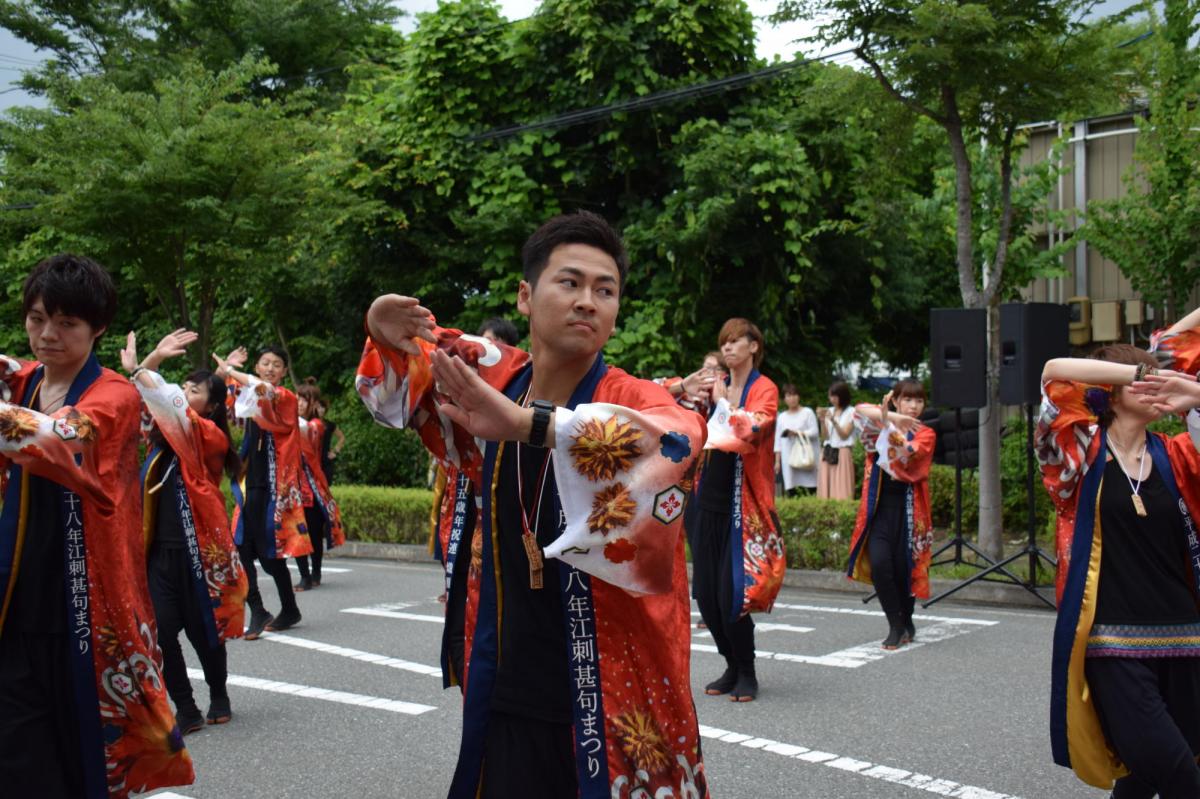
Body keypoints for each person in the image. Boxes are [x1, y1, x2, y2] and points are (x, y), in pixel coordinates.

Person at [357, 210, 708, 798]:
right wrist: (379, 326)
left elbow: (679, 439)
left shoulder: (625, 395)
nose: (587, 302)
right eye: (569, 283)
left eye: (605, 290)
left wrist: (528, 425)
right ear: (525, 296)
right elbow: (405, 369)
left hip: (610, 695)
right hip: (507, 680)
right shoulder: (495, 376)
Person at [0, 254, 193, 796]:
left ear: (97, 327)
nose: (47, 335)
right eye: (37, 319)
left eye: (66, 323)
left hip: (84, 606)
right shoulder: (22, 383)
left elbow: (59, 437)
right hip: (15, 598)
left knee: (82, 754)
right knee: (17, 758)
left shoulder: (115, 394)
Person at [1037, 310, 1200, 797]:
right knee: (1181, 778)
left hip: (1186, 639)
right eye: (1140, 383)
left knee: (1142, 777)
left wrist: (1191, 394)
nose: (1155, 389)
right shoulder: (1079, 456)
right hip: (1111, 644)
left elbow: (1178, 347)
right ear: (1111, 393)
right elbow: (1052, 372)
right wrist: (1141, 370)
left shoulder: (1178, 455)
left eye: (1157, 380)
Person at [121, 329, 248, 732]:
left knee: (206, 629)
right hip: (159, 554)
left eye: (194, 390)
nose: (183, 393)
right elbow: (141, 402)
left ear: (211, 406)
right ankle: (186, 707)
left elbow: (169, 402)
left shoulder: (206, 434)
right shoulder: (158, 439)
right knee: (159, 633)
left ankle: (219, 694)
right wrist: (148, 365)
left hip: (200, 553)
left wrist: (148, 366)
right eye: (185, 388)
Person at [691, 318, 785, 703]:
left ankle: (747, 670)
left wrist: (724, 403)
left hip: (740, 502)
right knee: (705, 595)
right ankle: (730, 662)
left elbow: (752, 429)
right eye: (724, 342)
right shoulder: (714, 385)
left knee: (733, 591)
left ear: (753, 346)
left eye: (735, 341)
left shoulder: (765, 389)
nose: (728, 348)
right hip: (705, 497)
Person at [213, 345, 312, 638]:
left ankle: (287, 609)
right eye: (265, 363)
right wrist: (224, 369)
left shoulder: (286, 398)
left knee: (270, 556)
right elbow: (217, 395)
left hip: (273, 488)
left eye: (276, 364)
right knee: (240, 548)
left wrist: (231, 371)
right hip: (250, 484)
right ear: (257, 366)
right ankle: (258, 609)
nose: (270, 368)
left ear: (283, 372)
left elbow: (263, 390)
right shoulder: (249, 395)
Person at [844, 380, 936, 649]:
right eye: (907, 400)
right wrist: (890, 419)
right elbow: (859, 410)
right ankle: (895, 624)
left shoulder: (925, 433)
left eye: (919, 401)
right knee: (881, 564)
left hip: (910, 511)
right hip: (880, 509)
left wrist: (887, 426)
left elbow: (908, 455)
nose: (914, 406)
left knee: (904, 568)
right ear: (896, 401)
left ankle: (906, 620)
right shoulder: (882, 423)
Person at [293, 378, 345, 591]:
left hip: (312, 485)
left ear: (314, 403)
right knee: (297, 530)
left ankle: (315, 572)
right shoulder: (296, 423)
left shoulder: (316, 426)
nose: (301, 403)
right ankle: (306, 575)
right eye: (298, 398)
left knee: (313, 531)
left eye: (306, 399)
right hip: (294, 485)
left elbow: (309, 443)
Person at [774, 383, 819, 496]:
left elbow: (815, 432)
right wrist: (777, 461)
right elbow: (778, 441)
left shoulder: (807, 412)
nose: (792, 398)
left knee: (810, 489)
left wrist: (798, 433)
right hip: (788, 458)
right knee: (792, 489)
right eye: (788, 396)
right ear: (784, 399)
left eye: (794, 395)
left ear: (798, 396)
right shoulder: (782, 417)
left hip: (806, 457)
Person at [817, 380, 857, 499]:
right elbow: (825, 437)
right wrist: (822, 421)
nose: (832, 399)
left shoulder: (852, 412)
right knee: (826, 488)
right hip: (828, 451)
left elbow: (844, 435)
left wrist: (834, 421)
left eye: (835, 396)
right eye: (830, 395)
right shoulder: (829, 410)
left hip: (842, 452)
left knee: (842, 488)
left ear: (842, 396)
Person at [317, 398, 345, 485]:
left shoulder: (329, 425)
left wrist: (335, 451)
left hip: (326, 460)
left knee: (325, 486)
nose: (321, 409)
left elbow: (342, 437)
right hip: (313, 459)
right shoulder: (309, 423)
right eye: (318, 407)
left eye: (322, 407)